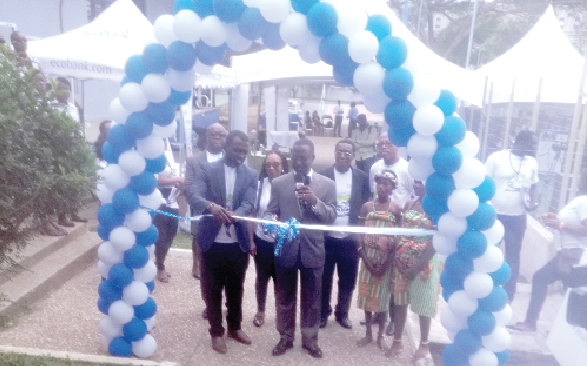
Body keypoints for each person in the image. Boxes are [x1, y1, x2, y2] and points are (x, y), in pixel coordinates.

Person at [186, 130, 258, 355]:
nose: (241, 155)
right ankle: (216, 332)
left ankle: (235, 328)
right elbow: (193, 194)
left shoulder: (251, 174)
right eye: (237, 150)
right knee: (213, 288)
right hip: (212, 241)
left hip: (238, 242)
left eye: (244, 151)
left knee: (237, 288)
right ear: (226, 146)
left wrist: (238, 213)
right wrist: (210, 207)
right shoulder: (207, 169)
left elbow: (249, 200)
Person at [266, 138, 336, 358]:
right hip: (286, 248)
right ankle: (285, 338)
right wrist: (271, 224)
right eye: (295, 156)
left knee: (313, 300)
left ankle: (310, 340)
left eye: (303, 157)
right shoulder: (279, 183)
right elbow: (271, 212)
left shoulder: (327, 185)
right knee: (284, 297)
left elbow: (331, 216)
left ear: (312, 158)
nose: (298, 160)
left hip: (313, 250)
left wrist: (315, 202)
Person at [508, 169, 587, 332]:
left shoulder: (584, 201)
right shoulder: (580, 200)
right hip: (567, 254)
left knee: (544, 280)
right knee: (568, 292)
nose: (578, 179)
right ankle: (563, 330)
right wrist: (556, 218)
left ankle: (533, 323)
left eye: (581, 177)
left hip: (574, 254)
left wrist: (560, 224)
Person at [318, 139, 370, 330]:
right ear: (335, 152)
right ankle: (323, 313)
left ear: (353, 156)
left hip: (350, 238)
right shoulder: (322, 175)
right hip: (327, 238)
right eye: (340, 151)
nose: (344, 154)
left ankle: (343, 313)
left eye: (348, 152)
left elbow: (366, 205)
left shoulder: (362, 177)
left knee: (348, 278)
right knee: (324, 277)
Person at [385, 181, 440, 359]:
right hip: (403, 260)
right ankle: (397, 341)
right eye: (415, 182)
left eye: (422, 182)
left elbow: (436, 242)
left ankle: (424, 345)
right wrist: (398, 257)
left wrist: (416, 267)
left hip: (425, 262)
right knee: (400, 301)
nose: (416, 185)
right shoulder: (410, 204)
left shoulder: (438, 208)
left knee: (425, 304)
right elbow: (401, 231)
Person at [485, 130, 539, 303]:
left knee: (513, 257)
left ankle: (508, 295)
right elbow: (484, 183)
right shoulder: (497, 158)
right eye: (532, 144)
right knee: (490, 253)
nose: (534, 148)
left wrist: (534, 202)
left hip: (518, 218)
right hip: (495, 215)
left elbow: (534, 186)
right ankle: (486, 288)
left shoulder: (532, 162)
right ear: (521, 142)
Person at [357, 170, 402, 351]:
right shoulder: (367, 207)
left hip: (386, 261)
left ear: (392, 187)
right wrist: (364, 255)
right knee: (367, 297)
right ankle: (368, 333)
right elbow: (359, 232)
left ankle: (380, 335)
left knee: (382, 299)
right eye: (379, 183)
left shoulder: (397, 209)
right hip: (367, 258)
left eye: (386, 184)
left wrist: (388, 260)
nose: (382, 187)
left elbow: (399, 237)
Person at [249, 151, 289, 328]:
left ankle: (281, 312)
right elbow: (252, 214)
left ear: (283, 166)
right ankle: (261, 310)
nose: (272, 168)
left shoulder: (290, 185)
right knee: (262, 277)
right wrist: (251, 240)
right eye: (268, 165)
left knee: (281, 279)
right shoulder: (259, 185)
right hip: (262, 240)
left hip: (283, 243)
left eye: (276, 164)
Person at [185, 123, 227, 280]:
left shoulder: (232, 158)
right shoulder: (193, 160)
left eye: (221, 134)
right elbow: (189, 188)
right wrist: (206, 204)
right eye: (213, 133)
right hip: (202, 208)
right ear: (206, 137)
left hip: (225, 209)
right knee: (198, 238)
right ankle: (197, 264)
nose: (217, 137)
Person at [153, 140, 185, 283]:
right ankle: (160, 267)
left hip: (172, 200)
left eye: (165, 139)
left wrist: (178, 183)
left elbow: (171, 175)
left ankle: (160, 262)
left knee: (171, 233)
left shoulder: (168, 155)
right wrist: (178, 179)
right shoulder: (152, 156)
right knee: (161, 235)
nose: (164, 141)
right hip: (157, 201)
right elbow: (155, 179)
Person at [370, 133, 415, 208]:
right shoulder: (375, 167)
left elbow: (415, 197)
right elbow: (374, 192)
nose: (383, 147)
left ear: (397, 145)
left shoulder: (407, 169)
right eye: (380, 144)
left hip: (399, 217)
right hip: (379, 217)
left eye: (388, 143)